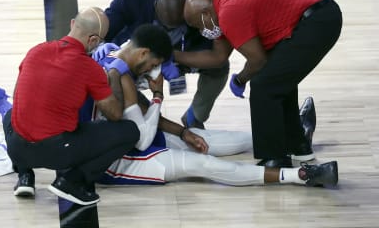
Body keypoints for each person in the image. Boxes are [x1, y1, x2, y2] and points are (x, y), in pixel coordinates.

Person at [86, 24, 338, 188]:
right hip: (116, 161)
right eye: (155, 63)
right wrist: (158, 96)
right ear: (143, 53)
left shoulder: (111, 54)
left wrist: (184, 132)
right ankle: (299, 176)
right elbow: (141, 139)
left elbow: (140, 120)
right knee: (204, 165)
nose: (154, 70)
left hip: (127, 137)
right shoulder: (121, 76)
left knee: (202, 137)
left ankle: (292, 138)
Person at [174, 0, 343, 168]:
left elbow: (258, 60)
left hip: (317, 21)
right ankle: (298, 147)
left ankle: (275, 158)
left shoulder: (229, 14)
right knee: (277, 81)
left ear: (205, 14)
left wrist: (240, 79)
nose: (201, 31)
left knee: (264, 86)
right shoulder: (223, 5)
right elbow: (219, 57)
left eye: (198, 26)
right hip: (318, 16)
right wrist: (172, 55)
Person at [2, 7, 140, 206]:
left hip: (17, 149)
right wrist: (113, 74)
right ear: (93, 40)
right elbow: (115, 114)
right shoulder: (89, 67)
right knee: (128, 131)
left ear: (72, 24)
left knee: (10, 114)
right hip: (57, 153)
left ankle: (24, 175)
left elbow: (19, 96)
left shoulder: (36, 50)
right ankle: (72, 181)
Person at [97, 0, 230, 129]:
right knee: (126, 89)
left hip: (183, 52)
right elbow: (106, 29)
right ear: (154, 7)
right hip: (145, 57)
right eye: (167, 26)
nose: (172, 29)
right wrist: (102, 46)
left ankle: (195, 116)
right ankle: (140, 117)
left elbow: (217, 45)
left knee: (219, 67)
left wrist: (174, 58)